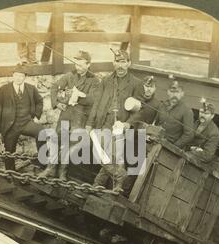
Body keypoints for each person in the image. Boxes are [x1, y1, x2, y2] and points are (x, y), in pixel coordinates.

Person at [85, 49, 144, 192]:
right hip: (103, 122)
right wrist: (89, 124)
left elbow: (141, 110)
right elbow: (97, 103)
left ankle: (99, 183)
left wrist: (126, 124)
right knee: (102, 154)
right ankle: (121, 176)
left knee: (113, 155)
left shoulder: (136, 83)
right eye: (118, 62)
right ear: (114, 63)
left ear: (129, 63)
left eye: (123, 62)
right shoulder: (106, 80)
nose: (120, 66)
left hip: (120, 126)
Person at [40, 50, 100, 180]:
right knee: (57, 141)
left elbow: (93, 99)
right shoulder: (70, 76)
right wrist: (56, 103)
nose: (77, 67)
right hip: (66, 114)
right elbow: (55, 87)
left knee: (70, 145)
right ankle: (50, 169)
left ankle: (62, 172)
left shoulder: (94, 80)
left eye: (80, 64)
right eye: (76, 64)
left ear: (88, 64)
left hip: (80, 117)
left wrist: (77, 96)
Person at [0, 65, 44, 170]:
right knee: (9, 149)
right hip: (10, 126)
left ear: (25, 77)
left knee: (42, 132)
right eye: (16, 76)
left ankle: (43, 162)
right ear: (12, 76)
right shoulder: (4, 90)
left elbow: (39, 101)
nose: (18, 78)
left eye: (21, 76)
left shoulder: (31, 89)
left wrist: (35, 115)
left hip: (26, 122)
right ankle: (10, 172)